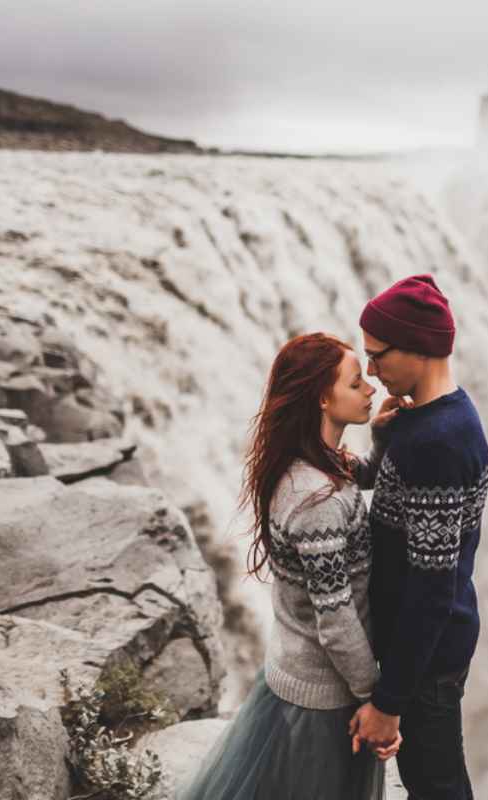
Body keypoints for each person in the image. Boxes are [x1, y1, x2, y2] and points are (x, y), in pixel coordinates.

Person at [177, 332, 407, 800]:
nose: (371, 390)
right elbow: (336, 618)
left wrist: (381, 440)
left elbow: (355, 475)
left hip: (294, 673)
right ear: (324, 398)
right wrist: (375, 700)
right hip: (323, 699)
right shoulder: (312, 500)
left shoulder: (313, 463)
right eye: (356, 383)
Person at [348, 274, 488, 800]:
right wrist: (384, 441)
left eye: (378, 355)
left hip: (426, 662)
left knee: (437, 786)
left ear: (419, 348)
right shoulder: (431, 419)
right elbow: (396, 494)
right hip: (430, 650)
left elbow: (431, 591)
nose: (370, 370)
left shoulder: (437, 442)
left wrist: (389, 703)